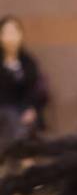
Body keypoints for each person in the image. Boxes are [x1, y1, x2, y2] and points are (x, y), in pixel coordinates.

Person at [0, 16, 47, 147]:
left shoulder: (28, 61)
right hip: (4, 108)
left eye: (15, 32)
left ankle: (25, 159)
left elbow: (35, 90)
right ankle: (24, 158)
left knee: (26, 121)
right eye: (6, 33)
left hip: (24, 108)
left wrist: (31, 108)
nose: (11, 37)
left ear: (21, 35)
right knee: (11, 118)